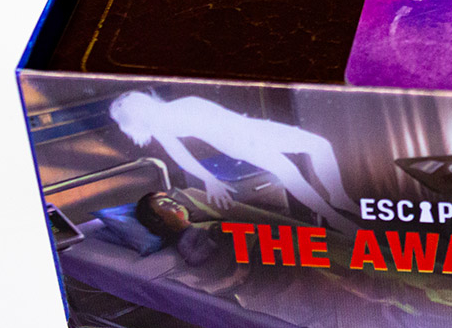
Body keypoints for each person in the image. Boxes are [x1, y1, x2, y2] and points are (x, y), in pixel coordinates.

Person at [110, 90, 353, 230]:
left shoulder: (170, 110)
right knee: (289, 172)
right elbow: (181, 156)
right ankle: (334, 217)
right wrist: (210, 180)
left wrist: (210, 179)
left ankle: (338, 198)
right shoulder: (161, 126)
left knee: (320, 146)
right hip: (241, 141)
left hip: (252, 127)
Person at [133, 191, 221, 266]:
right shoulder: (185, 240)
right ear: (157, 221)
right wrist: (212, 241)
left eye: (172, 201)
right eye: (165, 205)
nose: (174, 204)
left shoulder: (198, 223)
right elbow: (193, 259)